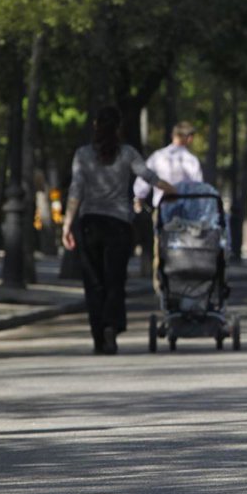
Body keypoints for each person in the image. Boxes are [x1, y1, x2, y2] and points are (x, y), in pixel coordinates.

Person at [62, 106, 177, 355]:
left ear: (95, 126)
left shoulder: (83, 155)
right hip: (119, 225)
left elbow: (76, 190)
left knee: (94, 283)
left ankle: (98, 334)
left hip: (90, 224)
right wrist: (171, 189)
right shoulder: (127, 154)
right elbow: (149, 176)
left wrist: (67, 223)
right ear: (119, 127)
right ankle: (111, 327)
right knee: (115, 280)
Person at [133, 121, 202, 208]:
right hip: (185, 210)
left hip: (162, 208)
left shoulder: (157, 156)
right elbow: (198, 188)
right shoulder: (191, 160)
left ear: (172, 135)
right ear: (190, 138)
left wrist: (139, 200)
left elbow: (143, 180)